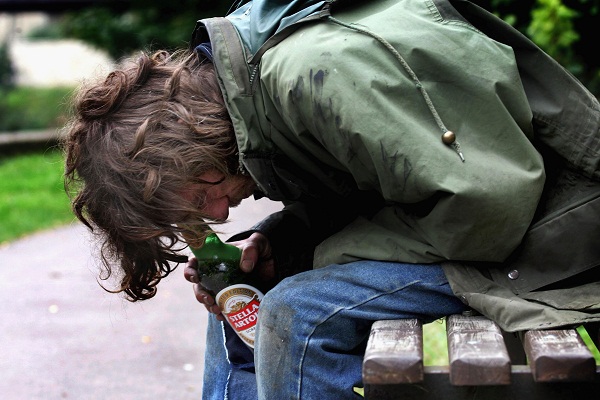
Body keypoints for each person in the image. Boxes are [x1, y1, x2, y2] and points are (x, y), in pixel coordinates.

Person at [62, 0, 600, 399]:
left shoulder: (315, 72)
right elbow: (378, 184)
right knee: (242, 295)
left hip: (555, 228)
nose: (220, 213)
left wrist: (316, 257)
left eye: (202, 195)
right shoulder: (258, 90)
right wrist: (284, 242)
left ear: (189, 141)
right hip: (494, 217)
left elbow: (485, 208)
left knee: (299, 312)